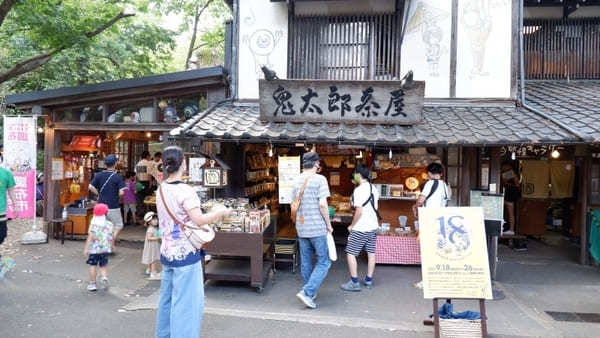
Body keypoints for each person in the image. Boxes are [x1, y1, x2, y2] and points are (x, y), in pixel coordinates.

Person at [156, 146, 232, 338]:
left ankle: (164, 334)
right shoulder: (186, 191)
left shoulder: (161, 189)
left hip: (166, 252)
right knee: (187, 304)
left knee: (167, 300)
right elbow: (199, 220)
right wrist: (219, 212)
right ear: (183, 163)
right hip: (186, 253)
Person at [292, 152, 333, 309]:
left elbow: (292, 204)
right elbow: (323, 205)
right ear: (316, 164)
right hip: (317, 228)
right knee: (324, 261)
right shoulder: (320, 179)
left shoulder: (296, 180)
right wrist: (328, 224)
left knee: (306, 261)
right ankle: (307, 293)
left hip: (302, 228)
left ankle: (308, 290)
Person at [341, 164, 380, 292]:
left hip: (361, 227)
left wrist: (352, 225)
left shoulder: (359, 190)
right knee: (371, 253)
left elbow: (359, 211)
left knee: (350, 253)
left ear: (358, 175)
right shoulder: (374, 188)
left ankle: (354, 282)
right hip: (373, 226)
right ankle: (369, 280)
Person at [89, 155, 126, 246]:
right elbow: (122, 193)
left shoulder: (99, 175)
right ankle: (110, 241)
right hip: (113, 206)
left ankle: (102, 244)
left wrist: (98, 194)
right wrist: (115, 195)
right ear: (115, 164)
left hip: (101, 206)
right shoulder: (117, 177)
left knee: (102, 226)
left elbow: (90, 187)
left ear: (105, 164)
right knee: (118, 225)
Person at [83, 203, 114, 292]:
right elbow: (111, 237)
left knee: (93, 265)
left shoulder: (94, 224)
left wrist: (86, 248)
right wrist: (112, 246)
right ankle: (104, 278)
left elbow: (90, 237)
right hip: (105, 249)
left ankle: (92, 284)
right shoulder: (109, 224)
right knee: (103, 265)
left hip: (94, 250)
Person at [0, 166, 17, 260]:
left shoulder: (6, 173)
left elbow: (11, 191)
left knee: (2, 234)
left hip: (1, 210)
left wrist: (16, 205)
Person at [501, 162, 520, 236]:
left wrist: (508, 184)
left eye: (504, 166)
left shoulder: (510, 173)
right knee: (509, 213)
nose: (502, 167)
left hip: (510, 194)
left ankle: (511, 230)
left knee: (510, 213)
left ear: (508, 166)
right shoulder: (509, 173)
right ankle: (509, 229)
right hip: (509, 194)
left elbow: (517, 184)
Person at [142, 211, 161, 280]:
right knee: (153, 259)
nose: (156, 221)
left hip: (153, 246)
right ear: (149, 222)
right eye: (153, 220)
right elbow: (149, 238)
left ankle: (151, 270)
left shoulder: (155, 228)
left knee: (151, 259)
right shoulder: (150, 229)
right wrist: (159, 238)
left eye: (156, 219)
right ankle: (153, 273)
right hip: (152, 246)